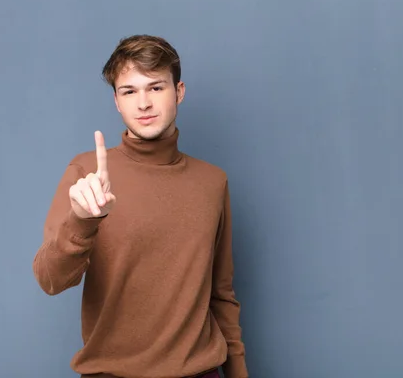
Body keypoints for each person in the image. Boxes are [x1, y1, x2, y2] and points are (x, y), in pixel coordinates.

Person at [33, 34, 248, 378]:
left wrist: (238, 373)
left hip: (201, 371)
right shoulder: (86, 173)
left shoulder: (212, 182)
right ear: (117, 102)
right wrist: (81, 221)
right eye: (129, 91)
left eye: (155, 88)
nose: (143, 103)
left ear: (179, 92)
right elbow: (49, 280)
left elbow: (222, 295)